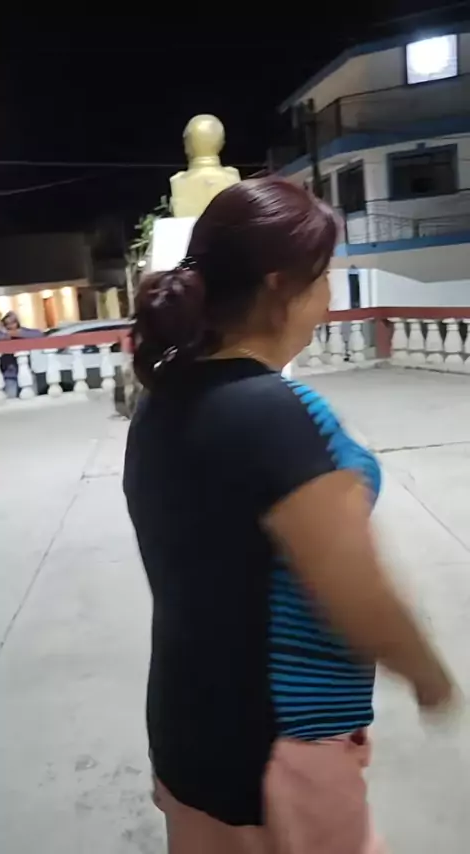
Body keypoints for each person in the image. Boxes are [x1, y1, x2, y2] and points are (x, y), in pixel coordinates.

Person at [123, 178, 457, 853]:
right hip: (280, 753)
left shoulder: (162, 399)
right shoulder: (277, 415)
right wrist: (429, 675)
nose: (329, 293)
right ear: (281, 287)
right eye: (322, 276)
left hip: (186, 730)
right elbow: (357, 595)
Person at [0, 312, 42, 398]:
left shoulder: (23, 332)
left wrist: (18, 334)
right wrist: (4, 335)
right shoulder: (0, 334)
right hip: (9, 375)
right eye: (7, 324)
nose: (11, 326)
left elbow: (39, 334)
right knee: (11, 399)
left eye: (13, 322)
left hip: (27, 372)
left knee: (32, 398)